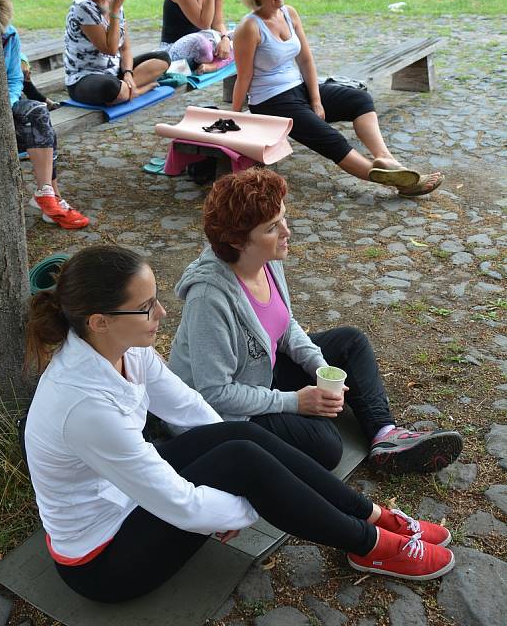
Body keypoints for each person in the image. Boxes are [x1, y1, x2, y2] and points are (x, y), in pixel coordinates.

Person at [23, 244, 455, 604]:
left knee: (241, 440)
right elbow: (183, 506)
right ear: (100, 322)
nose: (161, 313)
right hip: (104, 560)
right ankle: (373, 547)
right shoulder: (84, 407)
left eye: (155, 299)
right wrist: (261, 497)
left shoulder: (123, 348)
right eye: (146, 307)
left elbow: (191, 408)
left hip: (125, 496)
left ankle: (375, 516)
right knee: (249, 467)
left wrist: (248, 471)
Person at [168, 168, 463, 475]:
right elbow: (215, 392)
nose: (286, 231)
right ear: (238, 241)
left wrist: (319, 366)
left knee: (351, 342)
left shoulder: (264, 260)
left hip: (260, 371)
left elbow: (282, 324)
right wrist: (295, 402)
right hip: (223, 413)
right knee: (327, 447)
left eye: (284, 217)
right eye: (272, 228)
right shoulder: (209, 298)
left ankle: (385, 436)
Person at [231, 0, 443, 196]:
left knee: (359, 99)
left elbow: (306, 60)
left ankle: (385, 158)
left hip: (298, 88)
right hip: (271, 101)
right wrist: (233, 117)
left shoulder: (289, 13)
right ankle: (402, 183)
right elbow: (244, 77)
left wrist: (316, 99)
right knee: (331, 139)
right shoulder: (249, 27)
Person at [0, 0, 88, 229]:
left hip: (4, 105)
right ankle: (52, 200)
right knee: (39, 128)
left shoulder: (10, 35)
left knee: (37, 112)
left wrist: (6, 104)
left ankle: (46, 193)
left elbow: (15, 79)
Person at [64, 0, 170, 106]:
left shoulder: (113, 1)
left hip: (114, 72)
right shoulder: (83, 6)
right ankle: (136, 90)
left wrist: (127, 72)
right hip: (84, 77)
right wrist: (114, 12)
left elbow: (125, 49)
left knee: (163, 59)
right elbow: (111, 49)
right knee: (111, 88)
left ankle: (127, 89)